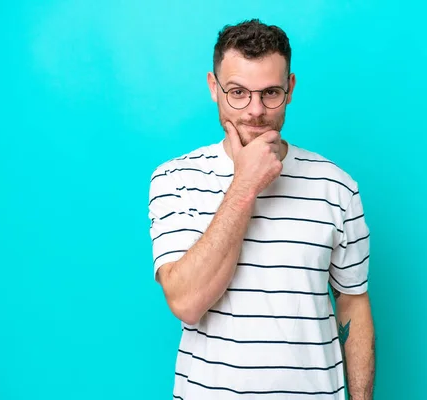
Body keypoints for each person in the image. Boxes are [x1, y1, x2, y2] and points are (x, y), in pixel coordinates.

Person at [148, 18, 375, 400]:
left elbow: (353, 303)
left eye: (270, 93)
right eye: (238, 92)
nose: (254, 111)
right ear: (213, 88)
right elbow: (186, 302)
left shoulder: (337, 186)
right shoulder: (175, 180)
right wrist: (245, 184)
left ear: (290, 89)